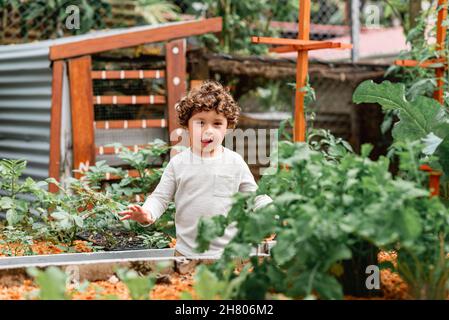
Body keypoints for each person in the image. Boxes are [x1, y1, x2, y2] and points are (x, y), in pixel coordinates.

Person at [119, 81, 273, 259]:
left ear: (228, 127)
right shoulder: (179, 163)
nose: (208, 131)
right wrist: (147, 213)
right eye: (200, 122)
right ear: (187, 125)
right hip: (185, 255)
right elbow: (160, 198)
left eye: (217, 124)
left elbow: (256, 197)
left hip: (228, 257)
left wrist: (274, 211)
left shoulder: (235, 162)